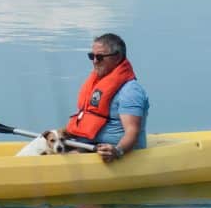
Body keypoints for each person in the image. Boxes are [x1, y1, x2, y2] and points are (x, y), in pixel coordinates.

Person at [63, 33, 148, 163]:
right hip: (86, 144)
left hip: (113, 151)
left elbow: (132, 131)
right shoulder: (95, 84)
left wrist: (118, 151)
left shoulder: (130, 91)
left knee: (69, 156)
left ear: (117, 57)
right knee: (44, 146)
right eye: (92, 56)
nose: (95, 61)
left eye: (100, 57)